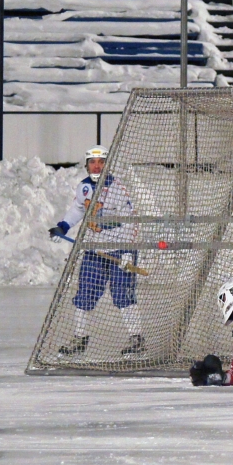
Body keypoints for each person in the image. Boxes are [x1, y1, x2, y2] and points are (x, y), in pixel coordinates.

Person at [48, 145, 145, 357]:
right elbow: (77, 209)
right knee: (85, 294)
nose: (97, 166)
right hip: (94, 250)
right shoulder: (83, 188)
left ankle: (137, 338)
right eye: (93, 162)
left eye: (101, 162)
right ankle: (80, 337)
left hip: (120, 249)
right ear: (86, 165)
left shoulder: (117, 189)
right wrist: (63, 226)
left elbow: (131, 222)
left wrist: (128, 251)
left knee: (122, 295)